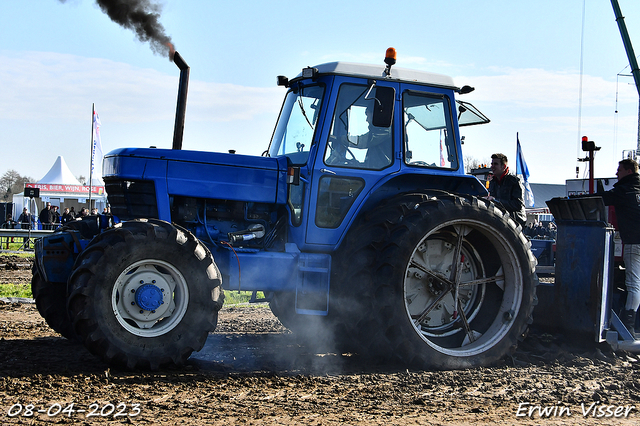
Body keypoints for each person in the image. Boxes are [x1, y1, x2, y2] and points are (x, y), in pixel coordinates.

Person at [598, 158, 640, 336]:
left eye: (619, 170)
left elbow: (602, 199)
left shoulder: (624, 190)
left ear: (629, 171)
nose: (616, 174)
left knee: (634, 284)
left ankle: (628, 323)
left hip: (634, 242)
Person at [485, 153, 526, 227]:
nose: (492, 167)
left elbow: (518, 205)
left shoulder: (514, 182)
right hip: (500, 220)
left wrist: (495, 200)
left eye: (495, 164)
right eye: (492, 164)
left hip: (515, 222)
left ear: (503, 166)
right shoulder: (493, 182)